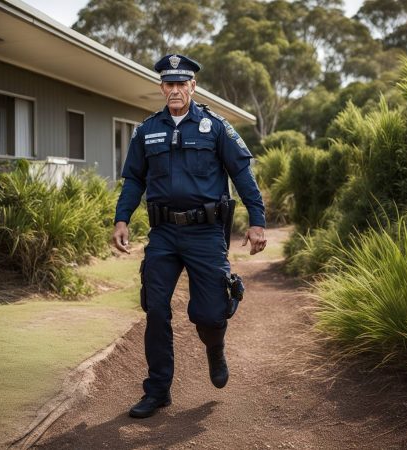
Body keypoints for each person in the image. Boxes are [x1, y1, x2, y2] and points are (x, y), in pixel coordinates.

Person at [113, 54, 266, 418]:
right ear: (162, 87)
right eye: (170, 83)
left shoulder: (216, 127)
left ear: (193, 86)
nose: (176, 90)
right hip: (163, 233)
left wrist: (257, 220)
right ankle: (158, 390)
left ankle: (215, 346)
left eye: (183, 84)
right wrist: (121, 219)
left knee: (209, 313)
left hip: (205, 233)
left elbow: (242, 173)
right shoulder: (147, 129)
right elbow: (134, 179)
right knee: (156, 309)